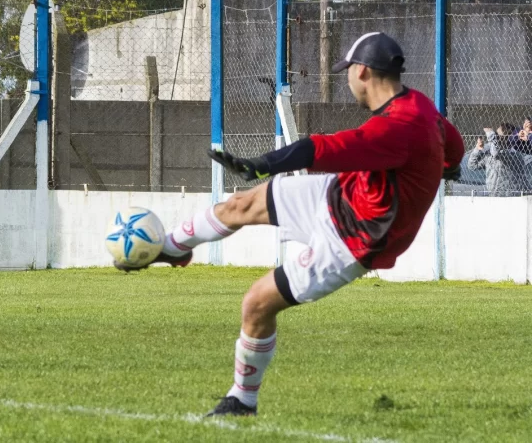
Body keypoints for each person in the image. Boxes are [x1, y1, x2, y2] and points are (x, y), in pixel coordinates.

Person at [114, 32, 465, 417]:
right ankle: (172, 248)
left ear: (362, 71)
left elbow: (323, 148)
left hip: (355, 238)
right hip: (343, 195)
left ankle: (241, 400)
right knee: (241, 205)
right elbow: (454, 144)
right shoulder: (420, 106)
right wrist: (447, 167)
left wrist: (261, 163)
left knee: (256, 304)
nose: (346, 80)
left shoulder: (400, 126)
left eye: (347, 72)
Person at [468, 124, 530, 196]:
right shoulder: (489, 156)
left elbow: (497, 154)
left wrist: (491, 135)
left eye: (497, 135)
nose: (496, 138)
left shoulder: (515, 154)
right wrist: (477, 149)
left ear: (507, 138)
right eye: (495, 134)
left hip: (513, 197)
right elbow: (472, 166)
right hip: (494, 196)